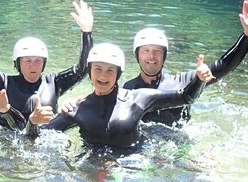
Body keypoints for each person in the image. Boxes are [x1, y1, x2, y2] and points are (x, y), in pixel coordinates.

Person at [0, 0, 94, 126]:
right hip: (12, 144)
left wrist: (86, 32)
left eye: (38, 61)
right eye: (27, 61)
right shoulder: (3, 83)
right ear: (17, 64)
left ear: (44, 64)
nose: (33, 66)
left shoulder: (53, 83)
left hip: (48, 141)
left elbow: (83, 69)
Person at [33, 43, 215, 148]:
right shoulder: (76, 110)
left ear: (119, 74)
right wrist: (32, 122)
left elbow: (185, 98)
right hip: (91, 167)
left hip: (134, 166)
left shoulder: (138, 98)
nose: (103, 76)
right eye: (98, 69)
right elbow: (37, 136)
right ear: (89, 72)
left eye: (110, 70)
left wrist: (199, 80)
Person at [123, 0, 248, 125]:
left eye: (157, 51)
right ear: (137, 55)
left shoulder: (183, 81)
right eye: (146, 51)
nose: (151, 56)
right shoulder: (127, 89)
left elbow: (224, 66)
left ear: (164, 55)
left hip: (179, 145)